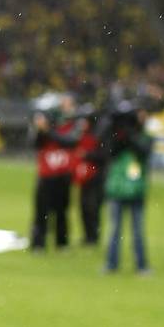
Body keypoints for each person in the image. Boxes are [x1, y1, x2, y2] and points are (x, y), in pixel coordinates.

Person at [97, 103, 153, 274]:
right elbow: (108, 150)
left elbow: (143, 150)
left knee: (137, 230)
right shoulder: (116, 136)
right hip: (117, 188)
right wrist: (119, 131)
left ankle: (141, 265)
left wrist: (128, 132)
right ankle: (112, 263)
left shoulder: (145, 137)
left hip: (136, 190)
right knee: (115, 230)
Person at [29, 96, 82, 251]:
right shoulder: (41, 132)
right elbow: (35, 144)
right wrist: (42, 130)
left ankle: (61, 243)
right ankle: (39, 244)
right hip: (46, 177)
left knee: (61, 212)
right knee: (41, 212)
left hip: (62, 176)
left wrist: (48, 130)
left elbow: (70, 141)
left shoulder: (68, 127)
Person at [72, 106, 104, 246]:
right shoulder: (81, 135)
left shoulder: (97, 136)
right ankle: (87, 235)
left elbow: (103, 156)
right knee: (83, 207)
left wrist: (87, 155)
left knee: (92, 207)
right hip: (84, 176)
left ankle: (93, 236)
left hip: (95, 177)